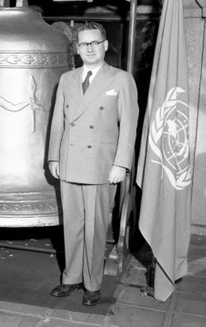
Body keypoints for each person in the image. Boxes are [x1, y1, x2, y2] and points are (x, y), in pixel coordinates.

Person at [48, 22, 138, 306]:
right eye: (83, 44)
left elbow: (129, 127)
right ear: (77, 48)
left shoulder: (121, 79)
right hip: (70, 162)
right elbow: (58, 123)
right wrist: (54, 156)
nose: (89, 48)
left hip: (102, 166)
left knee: (95, 228)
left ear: (105, 45)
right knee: (72, 225)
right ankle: (71, 278)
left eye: (94, 43)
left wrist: (121, 164)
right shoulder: (67, 79)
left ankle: (92, 283)